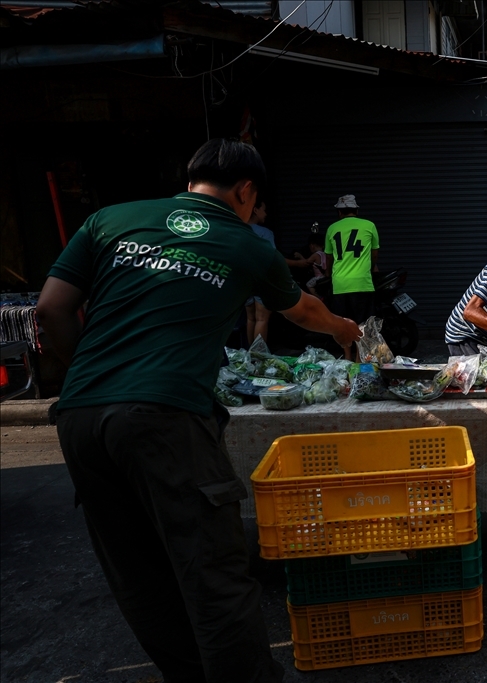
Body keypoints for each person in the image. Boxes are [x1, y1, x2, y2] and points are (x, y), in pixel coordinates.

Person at [35, 139, 362, 682]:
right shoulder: (248, 242)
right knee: (212, 574)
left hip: (80, 417)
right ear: (246, 190)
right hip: (165, 417)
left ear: (191, 180)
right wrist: (343, 329)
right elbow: (303, 310)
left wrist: (95, 377)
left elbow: (50, 310)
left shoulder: (109, 220)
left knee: (139, 573)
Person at [324, 194, 378, 358]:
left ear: (339, 212)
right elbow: (374, 254)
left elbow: (329, 257)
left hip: (340, 284)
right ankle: (359, 358)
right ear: (356, 210)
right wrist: (368, 268)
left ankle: (347, 356)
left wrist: (328, 275)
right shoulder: (369, 226)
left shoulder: (332, 228)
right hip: (362, 283)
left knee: (342, 324)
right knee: (362, 324)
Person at [244, 200, 274, 346]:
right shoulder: (265, 233)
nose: (266, 214)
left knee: (251, 318)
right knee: (262, 318)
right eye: (264, 209)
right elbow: (271, 258)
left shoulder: (238, 229)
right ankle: (259, 358)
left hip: (244, 280)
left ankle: (250, 357)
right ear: (255, 210)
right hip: (261, 280)